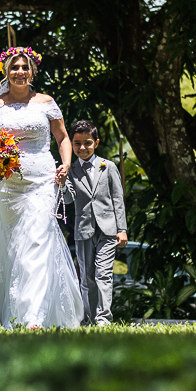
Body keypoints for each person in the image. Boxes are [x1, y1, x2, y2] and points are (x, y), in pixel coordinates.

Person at [0, 44, 85, 329]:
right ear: (6, 72)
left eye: (24, 67)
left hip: (43, 181)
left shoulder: (46, 102)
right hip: (7, 187)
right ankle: (6, 309)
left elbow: (63, 138)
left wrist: (66, 164)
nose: (20, 72)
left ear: (33, 71)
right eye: (14, 67)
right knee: (11, 247)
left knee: (37, 240)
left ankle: (33, 316)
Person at [62, 120, 127, 326]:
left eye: (87, 143)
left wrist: (122, 229)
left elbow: (118, 199)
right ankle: (88, 319)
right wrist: (62, 184)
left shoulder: (108, 167)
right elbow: (68, 200)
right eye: (77, 143)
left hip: (108, 230)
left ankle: (103, 319)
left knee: (103, 275)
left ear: (96, 143)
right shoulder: (71, 170)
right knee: (87, 278)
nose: (82, 148)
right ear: (71, 144)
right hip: (83, 230)